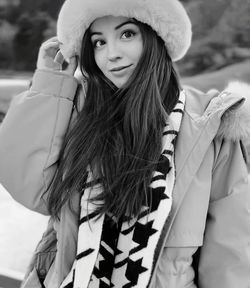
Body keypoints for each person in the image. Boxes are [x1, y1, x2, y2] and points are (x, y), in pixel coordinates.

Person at [0, 0, 250, 287]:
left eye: (127, 34)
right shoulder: (82, 117)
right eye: (98, 42)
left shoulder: (210, 127)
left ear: (158, 38)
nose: (111, 54)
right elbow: (34, 189)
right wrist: (51, 82)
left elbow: (230, 256)